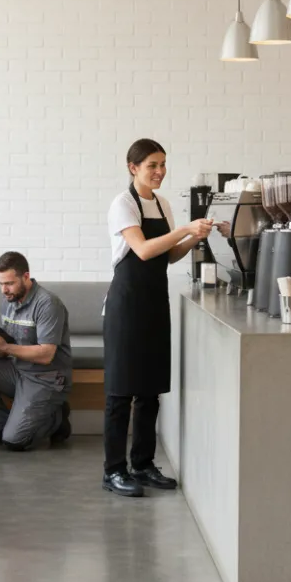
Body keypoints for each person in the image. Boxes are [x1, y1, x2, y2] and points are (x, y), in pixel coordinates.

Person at [102, 139, 212, 498]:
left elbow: (168, 256)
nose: (160, 171)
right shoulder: (123, 204)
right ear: (133, 167)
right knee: (121, 393)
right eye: (152, 165)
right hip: (125, 306)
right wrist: (184, 229)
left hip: (153, 303)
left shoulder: (162, 204)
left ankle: (143, 465)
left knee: (149, 392)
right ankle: (114, 471)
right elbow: (144, 249)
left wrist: (195, 237)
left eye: (163, 164)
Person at [0, 252, 73, 451]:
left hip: (46, 378)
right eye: (0, 284)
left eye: (9, 283)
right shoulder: (9, 301)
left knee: (15, 441)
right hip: (18, 371)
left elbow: (47, 355)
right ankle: (1, 426)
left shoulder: (48, 304)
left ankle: (56, 417)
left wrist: (5, 347)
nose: (4, 290)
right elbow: (8, 350)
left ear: (26, 277)